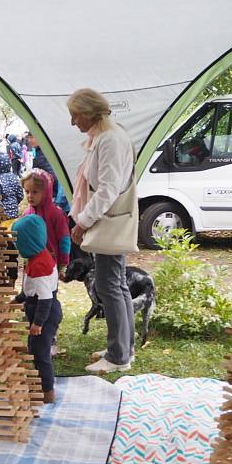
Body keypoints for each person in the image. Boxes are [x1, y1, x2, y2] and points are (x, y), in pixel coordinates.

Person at [67, 88, 137, 373]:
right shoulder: (107, 137)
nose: (73, 123)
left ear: (88, 112)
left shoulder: (109, 140)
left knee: (110, 286)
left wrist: (82, 222)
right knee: (116, 285)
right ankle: (122, 348)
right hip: (107, 220)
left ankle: (118, 356)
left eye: (75, 116)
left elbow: (107, 190)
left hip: (107, 221)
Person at [12, 215, 61, 404]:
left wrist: (38, 324)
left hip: (45, 314)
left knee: (41, 353)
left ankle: (47, 392)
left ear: (27, 241)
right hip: (38, 309)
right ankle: (42, 383)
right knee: (34, 348)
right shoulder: (37, 257)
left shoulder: (40, 265)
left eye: (19, 241)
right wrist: (18, 299)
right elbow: (29, 288)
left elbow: (45, 298)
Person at [20, 169, 71, 276]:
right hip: (31, 266)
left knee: (48, 292)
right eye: (27, 191)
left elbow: (64, 239)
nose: (30, 196)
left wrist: (63, 264)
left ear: (46, 191)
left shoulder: (56, 214)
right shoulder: (26, 214)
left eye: (35, 192)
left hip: (51, 267)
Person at [29, 133, 70, 213]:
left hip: (57, 200)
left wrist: (58, 202)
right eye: (29, 137)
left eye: (32, 137)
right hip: (52, 199)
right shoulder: (40, 153)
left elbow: (57, 178)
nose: (29, 140)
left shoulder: (47, 154)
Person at [0, 152, 24, 220]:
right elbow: (20, 195)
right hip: (15, 212)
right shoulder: (14, 177)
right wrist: (13, 204)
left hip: (3, 214)